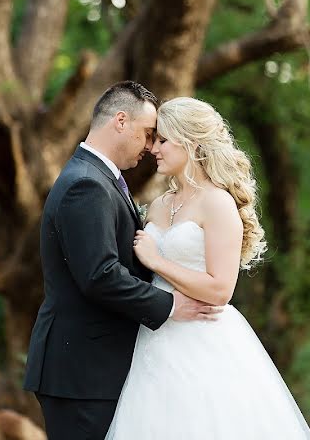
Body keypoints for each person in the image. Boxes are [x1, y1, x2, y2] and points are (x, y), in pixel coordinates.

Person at [105, 96, 310, 439]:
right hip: (153, 339)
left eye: (162, 140)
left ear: (191, 142)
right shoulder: (159, 205)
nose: (153, 148)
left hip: (201, 340)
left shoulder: (217, 202)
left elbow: (220, 290)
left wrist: (157, 260)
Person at [23, 81, 222, 440]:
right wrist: (170, 304)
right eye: (147, 135)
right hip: (82, 371)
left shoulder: (99, 179)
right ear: (119, 121)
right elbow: (100, 275)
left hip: (95, 366)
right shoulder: (88, 184)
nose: (150, 147)